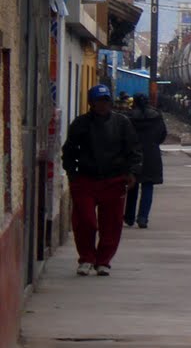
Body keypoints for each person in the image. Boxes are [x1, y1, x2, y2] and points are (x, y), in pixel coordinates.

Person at [62, 84, 142, 276]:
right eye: (99, 101)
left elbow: (134, 150)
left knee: (112, 223)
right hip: (85, 179)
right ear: (91, 103)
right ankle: (87, 258)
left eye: (105, 101)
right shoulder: (80, 124)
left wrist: (131, 172)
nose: (102, 105)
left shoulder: (122, 123)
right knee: (85, 221)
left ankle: (103, 261)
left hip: (113, 180)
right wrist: (72, 173)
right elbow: (69, 150)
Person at [124, 93, 167, 229]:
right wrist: (153, 143)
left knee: (132, 187)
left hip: (133, 155)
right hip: (151, 155)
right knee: (148, 187)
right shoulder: (156, 117)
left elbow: (124, 136)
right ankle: (143, 218)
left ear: (134, 102)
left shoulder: (129, 117)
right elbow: (162, 134)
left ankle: (129, 217)